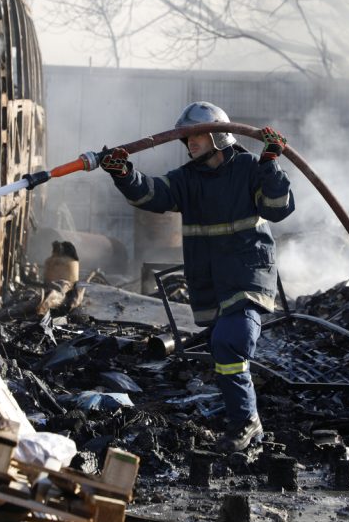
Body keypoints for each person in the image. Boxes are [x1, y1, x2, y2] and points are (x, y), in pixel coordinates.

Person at [99, 102, 295, 452]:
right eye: (186, 138)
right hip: (212, 280)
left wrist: (270, 165)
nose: (189, 143)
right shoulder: (187, 179)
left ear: (218, 135)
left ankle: (245, 424)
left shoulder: (250, 167)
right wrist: (123, 174)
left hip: (248, 274)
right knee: (224, 348)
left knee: (230, 342)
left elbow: (278, 209)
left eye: (196, 136)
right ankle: (254, 436)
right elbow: (152, 194)